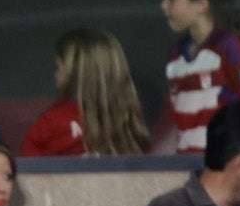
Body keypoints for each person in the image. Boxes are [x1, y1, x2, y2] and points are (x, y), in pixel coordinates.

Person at [22, 27, 155, 160]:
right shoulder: (132, 126)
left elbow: (26, 168)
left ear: (72, 71)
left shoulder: (50, 124)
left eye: (58, 66)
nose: (55, 74)